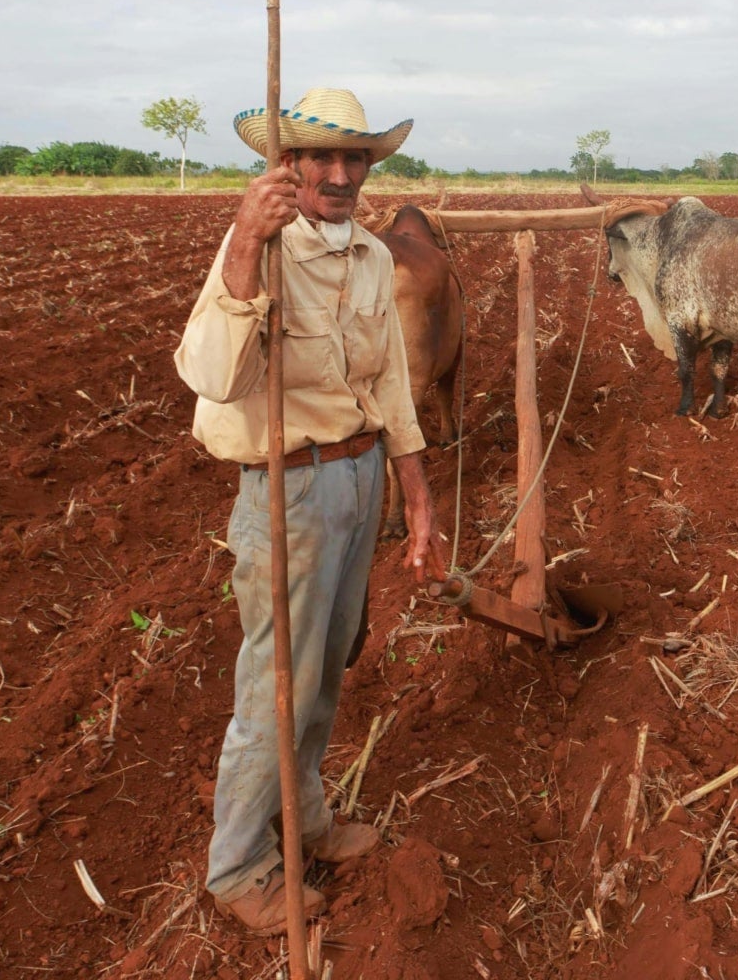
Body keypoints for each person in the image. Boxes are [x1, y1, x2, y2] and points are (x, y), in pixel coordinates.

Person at [175, 87, 448, 935]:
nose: (338, 174)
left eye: (353, 159)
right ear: (288, 167)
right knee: (275, 684)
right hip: (288, 488)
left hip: (360, 481)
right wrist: (249, 248)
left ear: (369, 169)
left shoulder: (370, 257)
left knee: (328, 665)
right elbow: (213, 375)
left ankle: (308, 819)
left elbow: (391, 386)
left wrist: (417, 492)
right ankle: (238, 865)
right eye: (321, 158)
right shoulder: (255, 246)